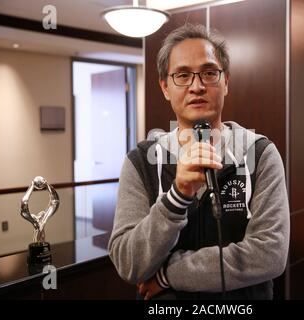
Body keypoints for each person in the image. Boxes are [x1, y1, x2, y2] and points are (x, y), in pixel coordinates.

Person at [108, 24, 290, 300]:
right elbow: (129, 263)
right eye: (182, 75)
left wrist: (167, 275)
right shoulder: (140, 162)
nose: (197, 86)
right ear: (165, 87)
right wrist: (177, 197)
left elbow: (270, 254)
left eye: (209, 73)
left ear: (225, 81)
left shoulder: (260, 154)